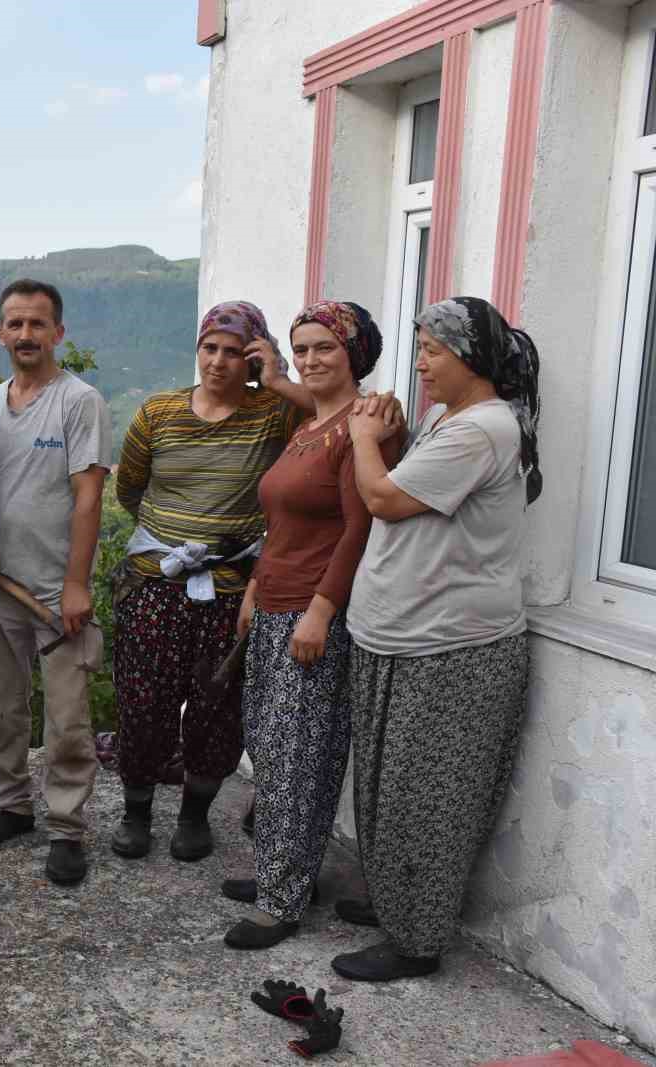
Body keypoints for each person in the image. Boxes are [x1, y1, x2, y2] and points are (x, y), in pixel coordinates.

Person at [330, 296, 542, 982]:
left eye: (431, 351)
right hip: (406, 634)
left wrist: (364, 437)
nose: (419, 364)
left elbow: (385, 499)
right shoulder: (446, 418)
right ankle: (398, 903)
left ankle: (416, 940)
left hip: (451, 646)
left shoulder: (480, 430)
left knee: (426, 796)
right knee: (391, 789)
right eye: (419, 349)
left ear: (470, 358)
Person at [220, 301, 399, 949]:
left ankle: (281, 900)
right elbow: (286, 524)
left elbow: (360, 527)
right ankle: (284, 871)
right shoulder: (312, 421)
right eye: (303, 347)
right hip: (273, 606)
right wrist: (255, 590)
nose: (312, 358)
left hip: (314, 613)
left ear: (353, 351)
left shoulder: (367, 423)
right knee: (270, 747)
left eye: (325, 346)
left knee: (301, 758)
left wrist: (322, 609)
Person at [109, 301, 314, 863]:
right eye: (209, 349)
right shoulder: (159, 413)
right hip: (156, 584)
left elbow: (332, 414)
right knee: (143, 701)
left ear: (250, 357)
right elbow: (130, 488)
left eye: (232, 352)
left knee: (216, 706)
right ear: (197, 350)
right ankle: (136, 812)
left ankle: (195, 815)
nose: (218, 362)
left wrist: (277, 376)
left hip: (232, 591)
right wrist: (176, 539)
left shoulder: (273, 412)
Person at [0, 279, 110, 886]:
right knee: (1, 710)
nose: (26, 335)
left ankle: (67, 829)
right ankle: (11, 806)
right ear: (0, 332)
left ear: (58, 333)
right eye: (15, 324)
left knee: (68, 721)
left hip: (57, 593)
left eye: (38, 324)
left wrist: (77, 585)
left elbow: (89, 495)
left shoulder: (79, 401)